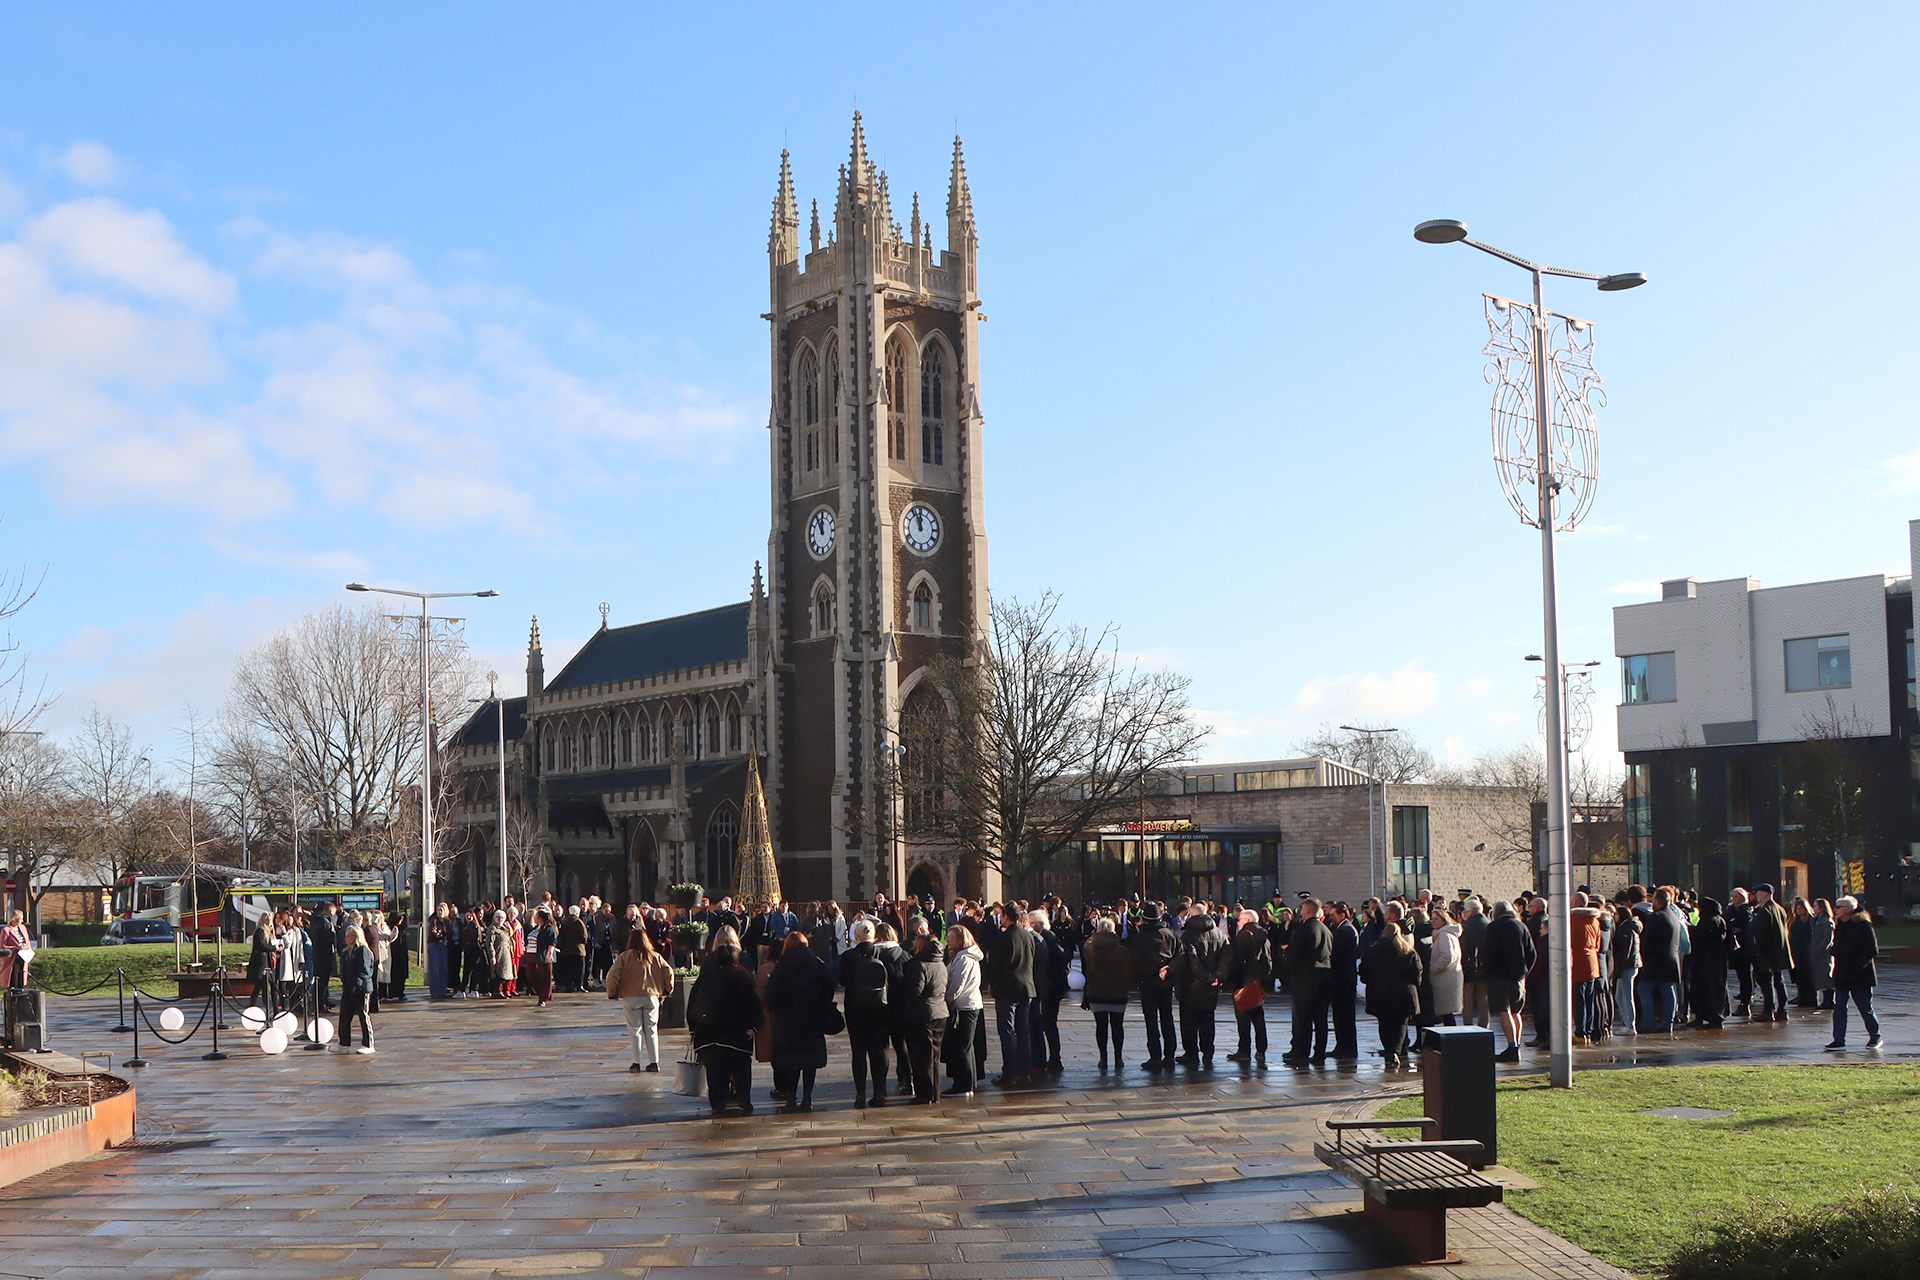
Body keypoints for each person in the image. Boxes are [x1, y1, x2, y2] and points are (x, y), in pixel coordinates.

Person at [687, 930, 761, 1117]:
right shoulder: (743, 976)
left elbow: (693, 1002)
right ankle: (743, 1098)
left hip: (711, 1032)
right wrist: (755, 1026)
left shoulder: (706, 977)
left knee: (714, 1069)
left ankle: (718, 1102)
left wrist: (693, 1027)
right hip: (737, 1032)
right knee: (742, 1066)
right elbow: (754, 1003)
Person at [765, 932, 835, 1111]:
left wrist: (778, 1012)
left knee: (790, 1061)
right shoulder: (818, 964)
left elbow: (770, 995)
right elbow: (829, 987)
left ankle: (790, 1098)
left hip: (787, 1021)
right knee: (809, 1061)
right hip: (813, 1019)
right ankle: (807, 1097)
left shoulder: (781, 967)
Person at [839, 919, 898, 1107]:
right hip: (880, 1009)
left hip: (855, 1009)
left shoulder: (849, 956)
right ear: (874, 936)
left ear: (856, 936)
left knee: (859, 1052)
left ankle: (860, 1094)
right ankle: (880, 1093)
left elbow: (842, 980)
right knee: (880, 1051)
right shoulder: (883, 954)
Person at [1358, 910, 1423, 1069]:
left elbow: (1364, 974)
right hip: (1403, 993)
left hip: (1379, 993)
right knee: (1401, 1023)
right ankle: (1395, 1051)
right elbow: (1417, 974)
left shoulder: (1372, 951)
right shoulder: (1408, 951)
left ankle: (1389, 1051)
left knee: (1384, 1023)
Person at [606, 922, 674, 1071]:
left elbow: (612, 975)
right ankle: (654, 1062)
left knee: (635, 1031)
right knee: (651, 1029)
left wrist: (613, 992)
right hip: (651, 995)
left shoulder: (625, 957)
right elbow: (668, 971)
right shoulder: (655, 956)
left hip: (630, 996)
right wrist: (667, 989)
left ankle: (636, 1063)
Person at [987, 903, 1038, 1087]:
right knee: (1023, 1031)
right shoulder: (1028, 936)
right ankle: (1025, 1071)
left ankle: (1010, 1073)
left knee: (1007, 1031)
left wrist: (991, 983)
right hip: (1027, 988)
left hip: (1007, 989)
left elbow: (994, 965)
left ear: (1007, 917)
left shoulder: (1003, 937)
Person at [1171, 904, 1228, 1069]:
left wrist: (1209, 977)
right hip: (1210, 988)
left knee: (1189, 1023)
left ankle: (1191, 1053)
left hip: (1190, 986)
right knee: (1207, 1021)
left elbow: (1192, 960)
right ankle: (1208, 1052)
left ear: (1191, 914)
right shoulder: (1219, 933)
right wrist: (1218, 976)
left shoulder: (1189, 934)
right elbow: (1227, 956)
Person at [898, 928, 950, 1104]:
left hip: (923, 1014)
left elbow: (915, 991)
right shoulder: (941, 963)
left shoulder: (918, 965)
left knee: (922, 1057)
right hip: (940, 1012)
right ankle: (934, 1093)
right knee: (934, 1056)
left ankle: (924, 1094)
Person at [1825, 896, 1882, 1049]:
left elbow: (1872, 949)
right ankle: (1838, 1039)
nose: (1835, 909)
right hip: (1842, 974)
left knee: (1865, 1007)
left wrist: (1858, 965)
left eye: (1838, 907)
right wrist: (1833, 950)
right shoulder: (1841, 925)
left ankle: (1875, 1037)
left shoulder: (1863, 925)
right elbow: (1837, 947)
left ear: (1848, 909)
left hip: (1860, 975)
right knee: (1839, 1008)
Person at [1481, 899, 1534, 1062]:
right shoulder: (1521, 926)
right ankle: (1516, 1044)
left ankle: (1511, 1046)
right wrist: (1525, 972)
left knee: (1504, 1010)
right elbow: (1532, 953)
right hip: (1518, 975)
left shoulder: (1492, 928)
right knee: (1516, 1011)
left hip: (1498, 976)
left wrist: (1486, 972)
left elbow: (1486, 954)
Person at [1080, 916, 1135, 1072]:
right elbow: (1129, 973)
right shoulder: (1122, 950)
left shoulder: (1089, 948)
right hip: (1117, 993)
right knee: (1118, 1026)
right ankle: (1118, 1058)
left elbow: (1086, 969)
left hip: (1096, 992)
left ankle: (1103, 1058)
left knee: (1101, 1026)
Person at [1280, 899, 1331, 1065]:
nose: (1300, 912)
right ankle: (1319, 1053)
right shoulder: (1326, 930)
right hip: (1323, 979)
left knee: (1304, 1019)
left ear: (1308, 911)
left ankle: (1302, 1053)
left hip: (1305, 980)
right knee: (1321, 1019)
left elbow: (1297, 956)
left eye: (1302, 909)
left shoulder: (1303, 930)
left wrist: (1288, 953)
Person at [1130, 903, 1180, 1070]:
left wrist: (1149, 972)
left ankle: (1155, 1056)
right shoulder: (1170, 934)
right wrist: (1168, 969)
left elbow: (1136, 962)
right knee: (1167, 1018)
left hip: (1148, 983)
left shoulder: (1140, 937)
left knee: (1151, 1021)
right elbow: (1180, 955)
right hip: (1166, 983)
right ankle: (1170, 1055)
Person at [1222, 908, 1271, 1064]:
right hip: (1257, 982)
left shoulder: (1243, 936)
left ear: (1248, 921)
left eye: (1241, 919)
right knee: (1258, 1016)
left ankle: (1244, 1050)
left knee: (1243, 1018)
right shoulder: (1265, 936)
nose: (1238, 921)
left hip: (1244, 982)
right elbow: (1268, 961)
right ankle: (1261, 1049)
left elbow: (1236, 961)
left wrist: (1232, 982)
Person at [943, 925, 985, 1097]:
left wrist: (948, 1000)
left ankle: (963, 1084)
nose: (948, 941)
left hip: (965, 1006)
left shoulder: (964, 960)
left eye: (951, 937)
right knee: (965, 1046)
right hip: (968, 1004)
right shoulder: (962, 957)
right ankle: (968, 1082)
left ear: (961, 940)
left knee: (962, 1046)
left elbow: (957, 985)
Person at [1637, 889, 1684, 1033]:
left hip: (1655, 961)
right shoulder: (1674, 915)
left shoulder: (1656, 917)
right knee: (1668, 990)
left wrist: (1644, 956)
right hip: (1671, 960)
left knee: (1644, 989)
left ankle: (1648, 1023)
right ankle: (1668, 1022)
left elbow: (1648, 941)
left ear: (1657, 901)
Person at [1030, 910, 1068, 1073]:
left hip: (1052, 988)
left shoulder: (1047, 939)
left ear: (1039, 925)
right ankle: (1053, 1058)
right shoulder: (1049, 938)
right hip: (1053, 986)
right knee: (1048, 1022)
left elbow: (1056, 961)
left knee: (1048, 1023)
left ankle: (1055, 1058)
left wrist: (1050, 980)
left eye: (1031, 924)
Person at [1748, 883, 1792, 1021]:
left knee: (1767, 983)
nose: (1756, 896)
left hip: (1766, 953)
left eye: (1758, 893)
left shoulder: (1765, 910)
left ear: (1765, 894)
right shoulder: (1779, 908)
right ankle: (1782, 1010)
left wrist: (1758, 950)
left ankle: (1768, 1011)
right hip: (1779, 951)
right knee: (1779, 981)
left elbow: (1760, 934)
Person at [332, 924, 376, 1054]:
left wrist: (357, 985)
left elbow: (365, 971)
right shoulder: (347, 952)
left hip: (360, 989)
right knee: (344, 1016)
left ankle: (368, 1044)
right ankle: (343, 1043)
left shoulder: (363, 951)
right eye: (346, 936)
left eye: (349, 936)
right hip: (348, 988)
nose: (346, 939)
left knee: (363, 1015)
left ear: (356, 937)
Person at [1326, 901, 1361, 1060]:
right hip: (1343, 978)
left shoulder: (1345, 930)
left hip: (1343, 979)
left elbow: (1338, 955)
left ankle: (1347, 1048)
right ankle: (1342, 1046)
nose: (1331, 918)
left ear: (1342, 915)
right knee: (1340, 1016)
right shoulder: (1342, 929)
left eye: (1333, 915)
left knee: (1344, 1016)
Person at [1687, 898, 1729, 1029]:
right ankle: (1707, 1016)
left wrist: (1690, 929)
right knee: (1712, 988)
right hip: (1716, 961)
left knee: (1706, 989)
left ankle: (1712, 1017)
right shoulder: (1718, 919)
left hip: (1705, 961)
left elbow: (1701, 937)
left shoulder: (1709, 921)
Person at [1569, 893, 1606, 1043]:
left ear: (1576, 902)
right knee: (1589, 999)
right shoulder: (1595, 920)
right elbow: (1598, 943)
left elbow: (1569, 940)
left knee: (1579, 1000)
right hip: (1593, 960)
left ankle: (1580, 1032)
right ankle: (1587, 1031)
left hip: (1578, 960)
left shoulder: (1572, 919)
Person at [1429, 908, 1464, 1028]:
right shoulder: (1446, 933)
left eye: (1436, 919)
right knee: (1447, 1014)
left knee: (1447, 1013)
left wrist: (1434, 968)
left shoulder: (1444, 935)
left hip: (1445, 978)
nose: (1433, 922)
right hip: (1448, 977)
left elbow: (1447, 956)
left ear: (1444, 920)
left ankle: (1451, 1041)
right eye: (1432, 919)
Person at [1611, 902, 1640, 1036]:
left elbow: (1625, 952)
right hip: (1631, 965)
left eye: (1616, 914)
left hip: (1627, 967)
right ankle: (1627, 1023)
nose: (1614, 917)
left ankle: (1630, 1025)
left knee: (1626, 997)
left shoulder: (1626, 929)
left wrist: (1618, 970)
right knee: (1620, 996)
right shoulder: (1628, 927)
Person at [1724, 888, 1753, 1018]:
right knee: (1740, 975)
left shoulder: (1745, 910)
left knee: (1745, 976)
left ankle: (1745, 1003)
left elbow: (1742, 924)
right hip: (1732, 948)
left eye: (1736, 896)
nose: (1733, 899)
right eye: (1732, 896)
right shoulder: (1730, 910)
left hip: (1744, 948)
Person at [309, 903, 338, 1013]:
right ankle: (321, 1005)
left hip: (317, 954)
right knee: (323, 981)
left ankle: (320, 1002)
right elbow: (330, 939)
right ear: (330, 912)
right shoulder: (325, 922)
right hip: (324, 954)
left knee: (319, 981)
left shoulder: (315, 921)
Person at [1808, 898, 1836, 1011]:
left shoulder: (1827, 921)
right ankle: (1825, 1000)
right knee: (1820, 976)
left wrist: (1821, 948)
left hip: (1824, 953)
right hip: (1816, 952)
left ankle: (1830, 1000)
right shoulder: (1817, 920)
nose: (1814, 908)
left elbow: (1828, 939)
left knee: (1826, 976)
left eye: (1816, 906)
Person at [528, 908, 558, 1007]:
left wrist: (549, 953)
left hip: (542, 956)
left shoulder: (548, 929)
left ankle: (543, 998)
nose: (534, 918)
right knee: (530, 976)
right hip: (531, 955)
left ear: (540, 918)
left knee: (544, 978)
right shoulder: (535, 928)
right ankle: (543, 994)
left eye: (536, 917)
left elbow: (552, 942)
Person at [485, 910, 514, 998]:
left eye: (502, 918)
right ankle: (496, 991)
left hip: (506, 953)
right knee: (497, 972)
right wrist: (492, 956)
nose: (500, 919)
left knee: (506, 973)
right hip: (498, 953)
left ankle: (505, 990)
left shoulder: (504, 928)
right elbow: (489, 943)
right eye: (498, 917)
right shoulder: (492, 929)